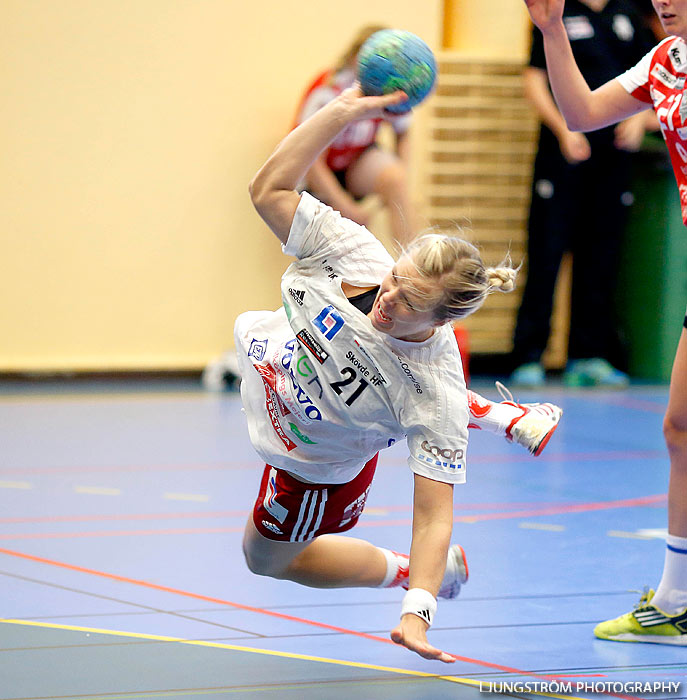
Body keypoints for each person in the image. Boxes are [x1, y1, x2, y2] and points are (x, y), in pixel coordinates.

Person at [237, 84, 563, 662]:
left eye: (410, 301)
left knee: (263, 561)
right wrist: (340, 111)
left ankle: (420, 570)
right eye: (395, 278)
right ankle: (497, 413)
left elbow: (434, 515)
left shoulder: (432, 387)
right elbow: (267, 189)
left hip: (315, 461)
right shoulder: (352, 251)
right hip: (282, 370)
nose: (389, 297)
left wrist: (418, 611)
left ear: (441, 322)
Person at [523, 0, 687, 643]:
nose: (664, 2)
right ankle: (677, 601)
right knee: (679, 429)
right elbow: (582, 112)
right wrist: (553, 30)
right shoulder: (668, 61)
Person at [511, 0, 656, 388]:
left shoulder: (629, 14)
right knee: (546, 252)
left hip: (614, 160)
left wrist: (640, 119)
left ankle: (588, 354)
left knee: (601, 255)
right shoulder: (558, 10)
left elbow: (656, 87)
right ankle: (529, 353)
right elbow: (536, 79)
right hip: (564, 156)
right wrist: (564, 128)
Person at [294, 25, 418, 247]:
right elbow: (309, 160)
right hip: (316, 169)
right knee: (334, 243)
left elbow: (403, 131)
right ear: (358, 57)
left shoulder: (387, 88)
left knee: (395, 179)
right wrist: (346, 207)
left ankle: (414, 265)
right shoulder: (329, 89)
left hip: (355, 164)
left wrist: (399, 176)